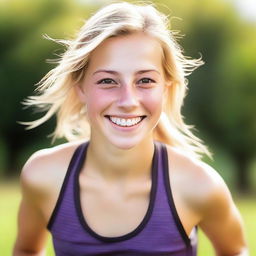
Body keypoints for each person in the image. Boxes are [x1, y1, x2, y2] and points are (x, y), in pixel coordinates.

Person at [13, 2, 248, 256]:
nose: (128, 101)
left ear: (165, 88)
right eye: (107, 81)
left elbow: (236, 251)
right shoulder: (44, 176)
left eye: (145, 80)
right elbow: (27, 250)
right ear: (80, 88)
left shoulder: (199, 185)